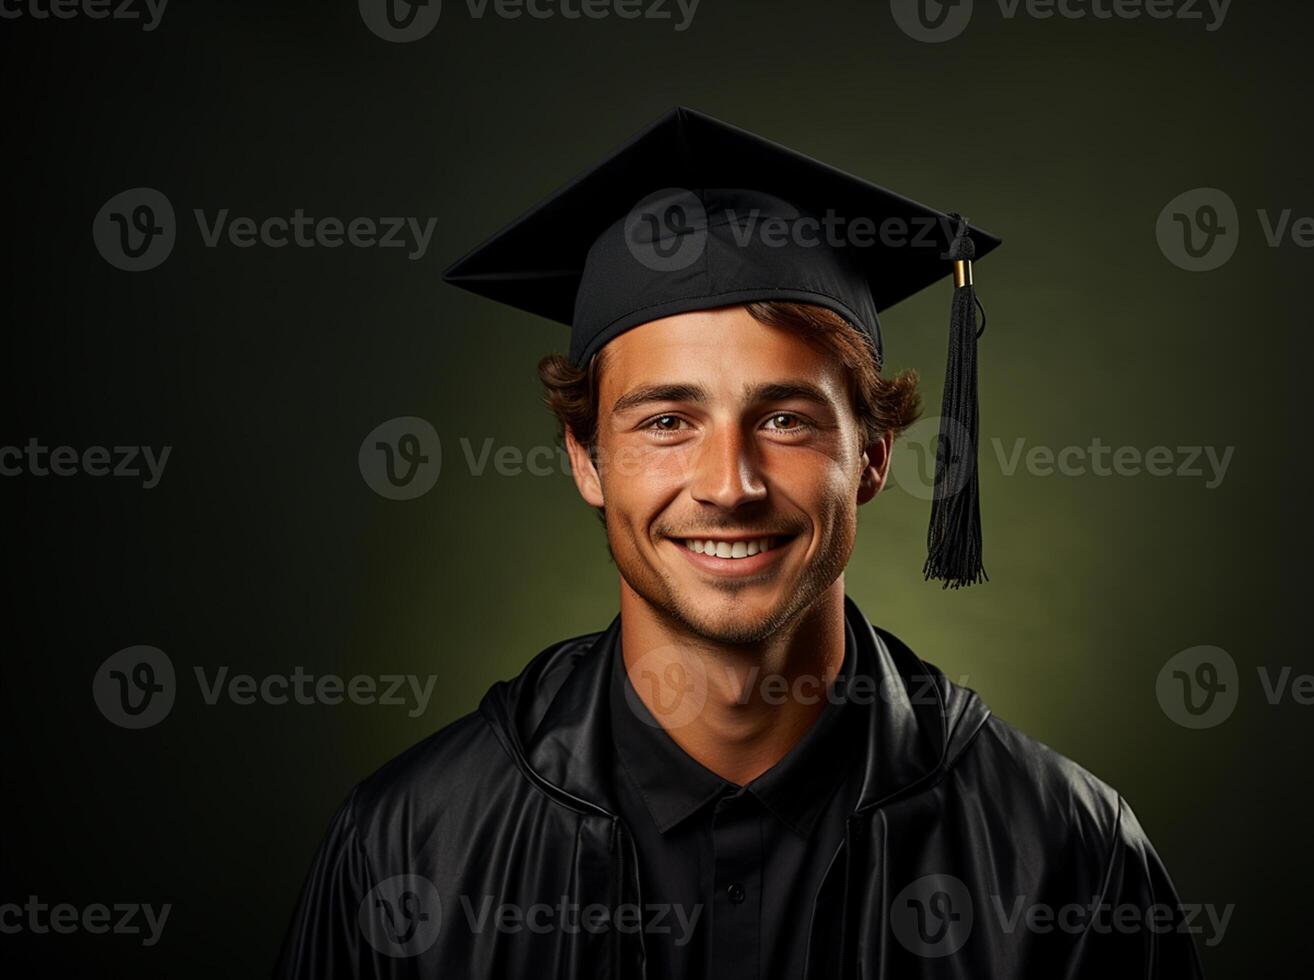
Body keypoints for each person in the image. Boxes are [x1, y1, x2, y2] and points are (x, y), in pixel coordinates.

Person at [274, 106, 1205, 979]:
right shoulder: (407, 848)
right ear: (588, 460)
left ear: (874, 458)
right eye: (667, 421)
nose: (728, 483)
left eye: (788, 420)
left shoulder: (1065, 860)